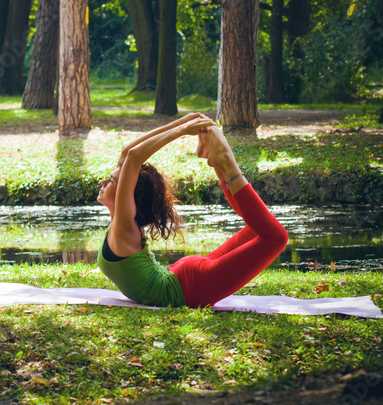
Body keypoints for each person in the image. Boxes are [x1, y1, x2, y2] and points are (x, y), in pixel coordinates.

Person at [96, 113, 289, 308]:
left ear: (127, 194)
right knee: (265, 231)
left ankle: (225, 162)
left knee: (274, 236)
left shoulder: (124, 226)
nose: (103, 182)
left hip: (187, 286)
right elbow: (128, 153)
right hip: (184, 280)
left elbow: (132, 155)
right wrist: (184, 125)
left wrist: (184, 126)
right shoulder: (122, 225)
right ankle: (221, 163)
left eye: (111, 181)